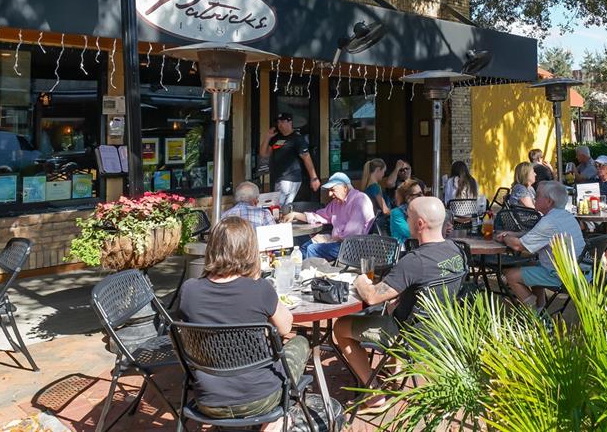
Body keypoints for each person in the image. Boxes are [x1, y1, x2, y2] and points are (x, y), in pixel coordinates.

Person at [333, 196, 467, 415]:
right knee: (394, 306)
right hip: (443, 330)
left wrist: (360, 280)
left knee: (341, 326)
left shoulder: (415, 261)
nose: (406, 220)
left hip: (412, 336)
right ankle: (397, 370)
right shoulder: (456, 250)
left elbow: (373, 297)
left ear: (420, 223)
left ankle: (374, 395)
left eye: (409, 216)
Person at [178, 217, 309, 421]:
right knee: (301, 342)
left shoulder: (189, 290)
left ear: (211, 247)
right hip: (260, 398)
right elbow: (285, 327)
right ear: (249, 249)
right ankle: (278, 420)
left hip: (208, 400)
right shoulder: (259, 290)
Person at [495, 180, 586, 310]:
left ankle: (538, 318)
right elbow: (537, 235)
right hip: (580, 272)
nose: (534, 198)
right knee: (532, 265)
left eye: (537, 196)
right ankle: (540, 308)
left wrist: (505, 237)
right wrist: (514, 234)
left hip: (563, 276)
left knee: (510, 276)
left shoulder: (549, 222)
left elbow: (518, 246)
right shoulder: (567, 216)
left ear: (549, 201)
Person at [284, 172, 375, 260]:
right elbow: (320, 216)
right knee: (304, 242)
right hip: (339, 241)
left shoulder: (360, 200)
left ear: (345, 188)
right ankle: (298, 271)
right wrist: (296, 215)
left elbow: (351, 235)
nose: (330, 194)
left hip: (353, 247)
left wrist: (327, 239)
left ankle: (311, 273)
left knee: (312, 249)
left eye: (332, 190)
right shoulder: (337, 203)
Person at [259, 112, 320, 204]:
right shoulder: (276, 138)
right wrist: (267, 137)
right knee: (283, 207)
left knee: (277, 206)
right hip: (278, 177)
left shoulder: (297, 139)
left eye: (282, 122)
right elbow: (264, 154)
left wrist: (313, 177)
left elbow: (306, 158)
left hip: (290, 178)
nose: (280, 125)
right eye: (278, 122)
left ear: (290, 122)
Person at [389, 178, 427, 245]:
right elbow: (411, 233)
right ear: (408, 197)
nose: (423, 196)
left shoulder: (421, 211)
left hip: (420, 248)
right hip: (402, 252)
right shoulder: (396, 213)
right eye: (419, 194)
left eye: (422, 193)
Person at [361, 158, 389, 231]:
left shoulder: (367, 186)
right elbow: (385, 210)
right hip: (378, 224)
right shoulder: (375, 187)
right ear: (378, 170)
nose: (383, 175)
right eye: (383, 171)